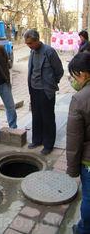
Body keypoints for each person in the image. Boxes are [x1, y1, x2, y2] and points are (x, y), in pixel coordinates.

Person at [24, 29, 64, 155]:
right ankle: (37, 140)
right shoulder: (32, 51)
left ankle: (48, 144)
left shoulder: (49, 51)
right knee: (36, 115)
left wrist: (52, 83)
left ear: (37, 40)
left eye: (30, 43)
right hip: (34, 89)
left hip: (46, 91)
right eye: (27, 43)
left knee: (48, 117)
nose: (28, 46)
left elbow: (59, 71)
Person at [66, 52, 90, 234]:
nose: (74, 80)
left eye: (75, 76)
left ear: (84, 74)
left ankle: (83, 229)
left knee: (88, 198)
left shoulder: (80, 99)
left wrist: (73, 169)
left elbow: (74, 139)